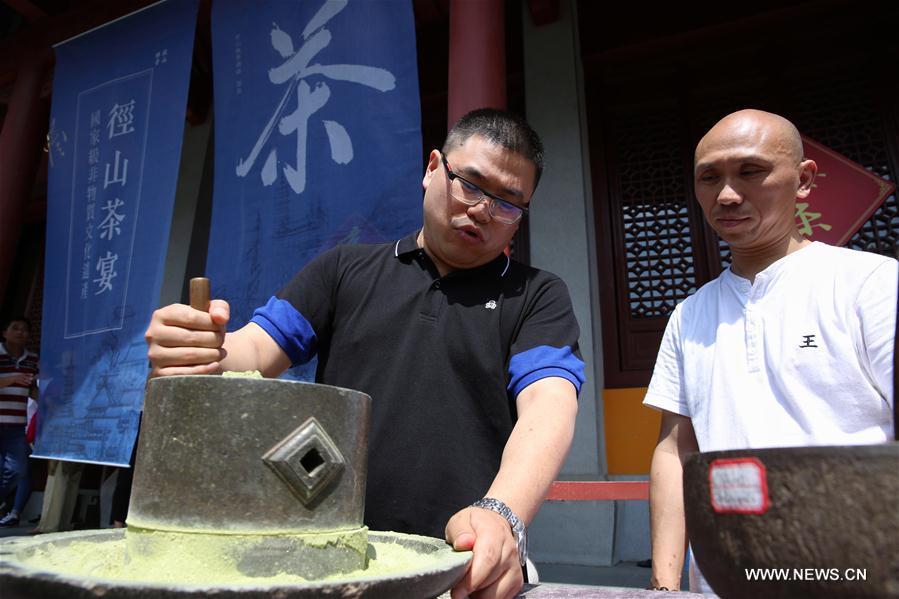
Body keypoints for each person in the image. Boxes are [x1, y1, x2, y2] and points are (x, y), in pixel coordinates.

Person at [145, 108, 585, 599]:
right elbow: (255, 350)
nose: (483, 210)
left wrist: (504, 514)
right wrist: (204, 347)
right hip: (334, 558)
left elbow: (549, 407)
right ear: (433, 168)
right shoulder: (345, 269)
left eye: (509, 203)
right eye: (471, 184)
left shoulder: (537, 295)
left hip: (464, 565)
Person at [643, 109, 898, 593]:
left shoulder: (872, 285)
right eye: (709, 177)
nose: (727, 195)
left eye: (751, 171)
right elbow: (675, 451)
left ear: (803, 180)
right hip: (722, 578)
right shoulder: (689, 316)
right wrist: (665, 585)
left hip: (856, 574)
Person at [0, 316, 39, 527]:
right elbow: (17, 380)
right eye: (15, 328)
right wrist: (13, 378)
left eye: (25, 329)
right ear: (4, 333)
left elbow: (33, 389)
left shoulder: (32, 360)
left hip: (16, 424)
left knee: (18, 470)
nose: (20, 332)